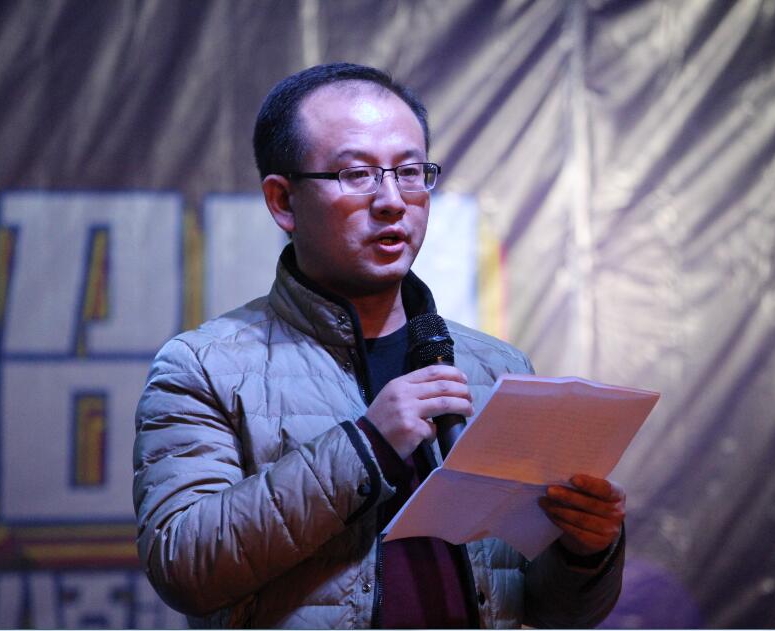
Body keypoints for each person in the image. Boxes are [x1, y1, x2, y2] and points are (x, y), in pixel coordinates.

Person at [133, 63, 625, 629]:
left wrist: (585, 551)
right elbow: (184, 565)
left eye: (410, 172)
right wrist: (367, 446)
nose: (392, 200)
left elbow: (545, 608)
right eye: (357, 174)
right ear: (283, 201)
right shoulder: (204, 366)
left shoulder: (496, 367)